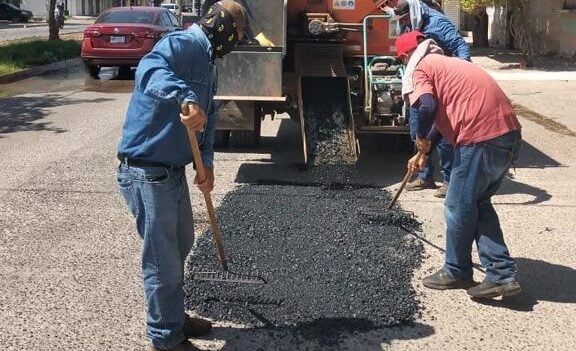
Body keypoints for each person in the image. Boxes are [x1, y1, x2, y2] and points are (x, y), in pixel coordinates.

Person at [116, 1, 247, 350]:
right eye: (237, 32)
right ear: (221, 25)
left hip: (171, 172)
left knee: (182, 245)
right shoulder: (180, 44)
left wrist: (206, 165)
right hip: (146, 171)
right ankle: (165, 337)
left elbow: (211, 115)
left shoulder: (208, 62)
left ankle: (174, 316)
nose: (238, 39)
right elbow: (149, 68)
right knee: (163, 260)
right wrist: (185, 98)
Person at [396, 31, 522, 299]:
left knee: (457, 206)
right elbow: (442, 122)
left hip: (480, 140)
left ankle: (456, 271)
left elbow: (427, 106)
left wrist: (419, 139)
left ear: (406, 56)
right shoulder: (451, 64)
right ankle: (500, 274)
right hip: (508, 137)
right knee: (477, 203)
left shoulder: (421, 68)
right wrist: (425, 152)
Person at [387, 0, 471, 198]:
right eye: (402, 19)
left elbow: (460, 46)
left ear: (413, 11)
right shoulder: (408, 23)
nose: (405, 22)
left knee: (441, 135)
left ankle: (450, 180)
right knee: (417, 131)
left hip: (440, 84)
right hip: (420, 80)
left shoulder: (438, 23)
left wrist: (463, 71)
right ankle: (425, 176)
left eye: (406, 18)